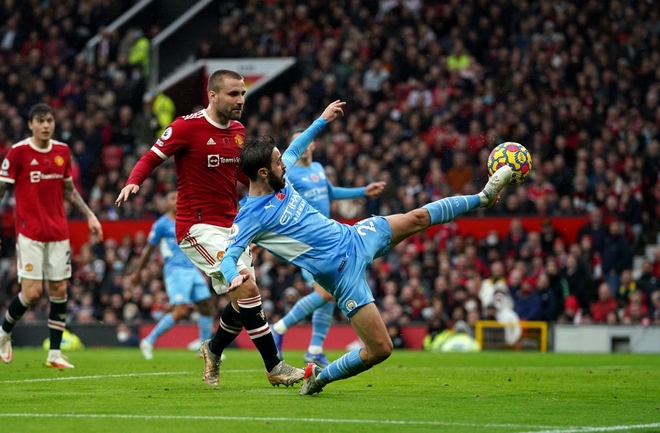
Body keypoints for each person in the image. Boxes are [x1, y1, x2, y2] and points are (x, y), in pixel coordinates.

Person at [219, 103, 513, 395]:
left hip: (354, 236)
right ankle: (320, 378)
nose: (285, 164)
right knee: (380, 349)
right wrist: (233, 275)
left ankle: (483, 197)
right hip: (341, 277)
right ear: (262, 172)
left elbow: (297, 146)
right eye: (278, 162)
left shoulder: (281, 178)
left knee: (417, 217)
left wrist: (322, 119)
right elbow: (230, 254)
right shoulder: (250, 215)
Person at [116, 69, 305, 388]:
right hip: (196, 227)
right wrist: (134, 182)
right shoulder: (185, 127)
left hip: (233, 226)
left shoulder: (240, 132)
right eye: (233, 94)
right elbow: (151, 157)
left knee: (241, 301)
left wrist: (273, 189)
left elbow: (241, 177)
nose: (241, 100)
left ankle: (213, 350)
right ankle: (275, 366)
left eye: (243, 94)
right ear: (213, 96)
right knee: (246, 289)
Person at [271, 126, 386, 368]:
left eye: (305, 142)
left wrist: (363, 191)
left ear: (312, 145)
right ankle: (279, 328)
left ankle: (314, 350)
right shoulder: (288, 175)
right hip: (307, 242)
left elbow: (331, 192)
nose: (303, 146)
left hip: (326, 240)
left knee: (329, 296)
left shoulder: (318, 169)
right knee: (325, 294)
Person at [0, 103, 104, 368]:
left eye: (50, 121)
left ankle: (54, 353)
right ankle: (3, 333)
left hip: (58, 232)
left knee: (59, 290)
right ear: (31, 124)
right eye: (41, 121)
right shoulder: (19, 152)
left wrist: (90, 215)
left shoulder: (62, 151)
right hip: (30, 233)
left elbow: (69, 189)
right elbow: (2, 190)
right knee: (32, 292)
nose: (46, 125)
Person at [131, 191, 214, 360]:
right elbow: (149, 250)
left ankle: (204, 349)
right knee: (181, 310)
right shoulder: (161, 225)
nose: (176, 201)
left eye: (179, 198)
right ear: (165, 204)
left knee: (206, 306)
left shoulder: (189, 221)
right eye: (172, 198)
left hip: (192, 269)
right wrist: (139, 272)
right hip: (175, 271)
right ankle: (148, 340)